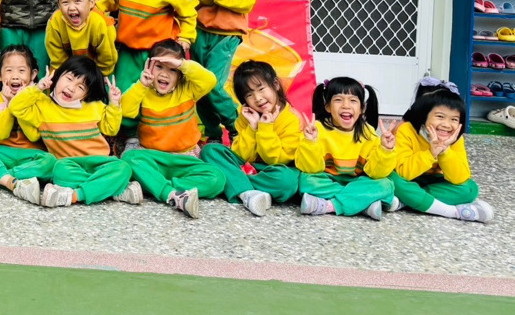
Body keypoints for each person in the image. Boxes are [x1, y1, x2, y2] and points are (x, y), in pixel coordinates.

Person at [8, 56, 139, 207]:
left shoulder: (94, 106)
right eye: (69, 79)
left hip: (100, 162)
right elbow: (16, 107)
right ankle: (111, 189)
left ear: (86, 94)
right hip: (69, 164)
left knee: (124, 168)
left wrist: (114, 104)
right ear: (58, 76)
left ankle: (76, 195)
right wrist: (38, 88)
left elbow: (111, 129)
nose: (71, 88)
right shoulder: (43, 106)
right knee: (58, 171)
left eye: (81, 87)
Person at [120, 41, 225, 218]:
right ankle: (170, 193)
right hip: (153, 157)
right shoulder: (144, 90)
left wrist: (183, 64)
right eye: (159, 66)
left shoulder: (188, 90)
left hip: (185, 159)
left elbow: (210, 80)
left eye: (172, 69)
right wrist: (141, 85)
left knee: (217, 179)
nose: (164, 74)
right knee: (129, 158)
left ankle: (159, 185)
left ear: (180, 75)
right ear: (149, 67)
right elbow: (125, 110)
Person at [200, 60, 302, 216]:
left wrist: (265, 128)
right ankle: (250, 193)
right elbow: (241, 155)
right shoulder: (247, 114)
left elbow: (275, 160)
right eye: (249, 95)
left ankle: (237, 185)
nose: (258, 98)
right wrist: (252, 127)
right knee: (210, 151)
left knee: (287, 181)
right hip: (247, 167)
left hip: (272, 171)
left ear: (275, 84)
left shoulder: (292, 118)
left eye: (261, 89)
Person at [390, 78, 494, 223]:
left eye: (454, 119)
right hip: (408, 179)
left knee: (470, 188)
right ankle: (451, 211)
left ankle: (408, 200)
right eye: (440, 117)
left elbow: (460, 178)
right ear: (423, 115)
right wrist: (431, 153)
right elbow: (403, 173)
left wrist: (445, 150)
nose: (446, 124)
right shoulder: (406, 130)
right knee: (392, 180)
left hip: (432, 183)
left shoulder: (455, 138)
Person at [193, 0, 256, 144]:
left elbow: (245, 4)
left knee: (212, 83)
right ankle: (213, 134)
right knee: (199, 85)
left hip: (228, 36)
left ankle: (237, 125)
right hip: (201, 33)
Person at [295, 77, 398, 220]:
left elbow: (376, 173)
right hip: (328, 181)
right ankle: (361, 203)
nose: (346, 106)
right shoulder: (316, 129)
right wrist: (310, 142)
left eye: (353, 100)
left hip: (358, 181)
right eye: (338, 100)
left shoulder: (368, 133)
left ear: (362, 108)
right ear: (327, 107)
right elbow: (310, 169)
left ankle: (330, 205)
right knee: (306, 181)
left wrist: (385, 149)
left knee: (386, 185)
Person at [0, 45, 56, 204]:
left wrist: (20, 104)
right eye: (9, 71)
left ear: (33, 74)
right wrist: (8, 104)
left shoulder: (40, 98)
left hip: (30, 155)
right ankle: (12, 181)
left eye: (21, 71)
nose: (15, 76)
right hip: (3, 152)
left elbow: (34, 136)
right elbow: (0, 133)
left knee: (50, 162)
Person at [44, 0, 116, 75]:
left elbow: (107, 59)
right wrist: (65, 76)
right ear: (59, 5)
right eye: (65, 2)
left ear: (91, 3)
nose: (71, 7)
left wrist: (97, 77)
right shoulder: (55, 22)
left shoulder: (100, 23)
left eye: (77, 1)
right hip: (68, 71)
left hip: (96, 71)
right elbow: (58, 60)